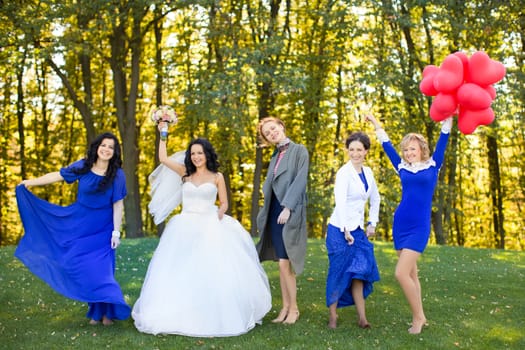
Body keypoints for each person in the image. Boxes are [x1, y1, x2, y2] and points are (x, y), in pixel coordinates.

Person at [132, 122, 271, 337]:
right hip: (184, 226)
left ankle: (211, 311)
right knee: (181, 269)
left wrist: (218, 215)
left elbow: (224, 203)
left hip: (209, 224)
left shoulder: (217, 177)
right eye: (193, 153)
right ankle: (177, 310)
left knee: (211, 270)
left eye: (200, 153)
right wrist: (163, 134)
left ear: (207, 154)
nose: (196, 156)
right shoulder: (184, 173)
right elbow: (162, 159)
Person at [15, 132, 131, 326]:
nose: (106, 149)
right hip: (79, 223)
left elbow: (118, 204)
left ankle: (106, 314)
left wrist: (116, 232)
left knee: (102, 272)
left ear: (115, 152)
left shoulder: (118, 174)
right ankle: (97, 312)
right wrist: (30, 182)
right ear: (97, 147)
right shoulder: (83, 165)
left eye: (111, 147)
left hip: (103, 229)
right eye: (104, 145)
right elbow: (58, 175)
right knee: (81, 266)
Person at [366, 114, 453, 334]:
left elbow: (444, 136)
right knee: (412, 275)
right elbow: (387, 146)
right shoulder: (402, 167)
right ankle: (420, 315)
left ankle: (418, 318)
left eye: (412, 149)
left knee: (401, 273)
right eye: (406, 150)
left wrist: (450, 116)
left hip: (419, 227)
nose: (408, 153)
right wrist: (376, 125)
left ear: (421, 149)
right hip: (401, 224)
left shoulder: (434, 164)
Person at [256, 117, 309, 325]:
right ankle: (285, 307)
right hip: (274, 212)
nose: (272, 133)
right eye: (267, 134)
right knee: (281, 264)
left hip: (290, 210)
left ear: (281, 126)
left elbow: (300, 180)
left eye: (273, 129)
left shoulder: (299, 150)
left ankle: (294, 309)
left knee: (287, 263)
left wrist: (287, 207)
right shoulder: (275, 155)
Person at [326, 131, 380, 329]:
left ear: (366, 151)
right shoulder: (343, 173)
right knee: (338, 272)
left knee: (360, 272)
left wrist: (371, 223)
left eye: (359, 149)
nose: (355, 153)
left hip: (358, 229)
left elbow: (375, 199)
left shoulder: (368, 173)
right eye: (351, 149)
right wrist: (346, 230)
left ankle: (362, 318)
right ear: (347, 151)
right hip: (339, 230)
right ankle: (333, 316)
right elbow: (340, 203)